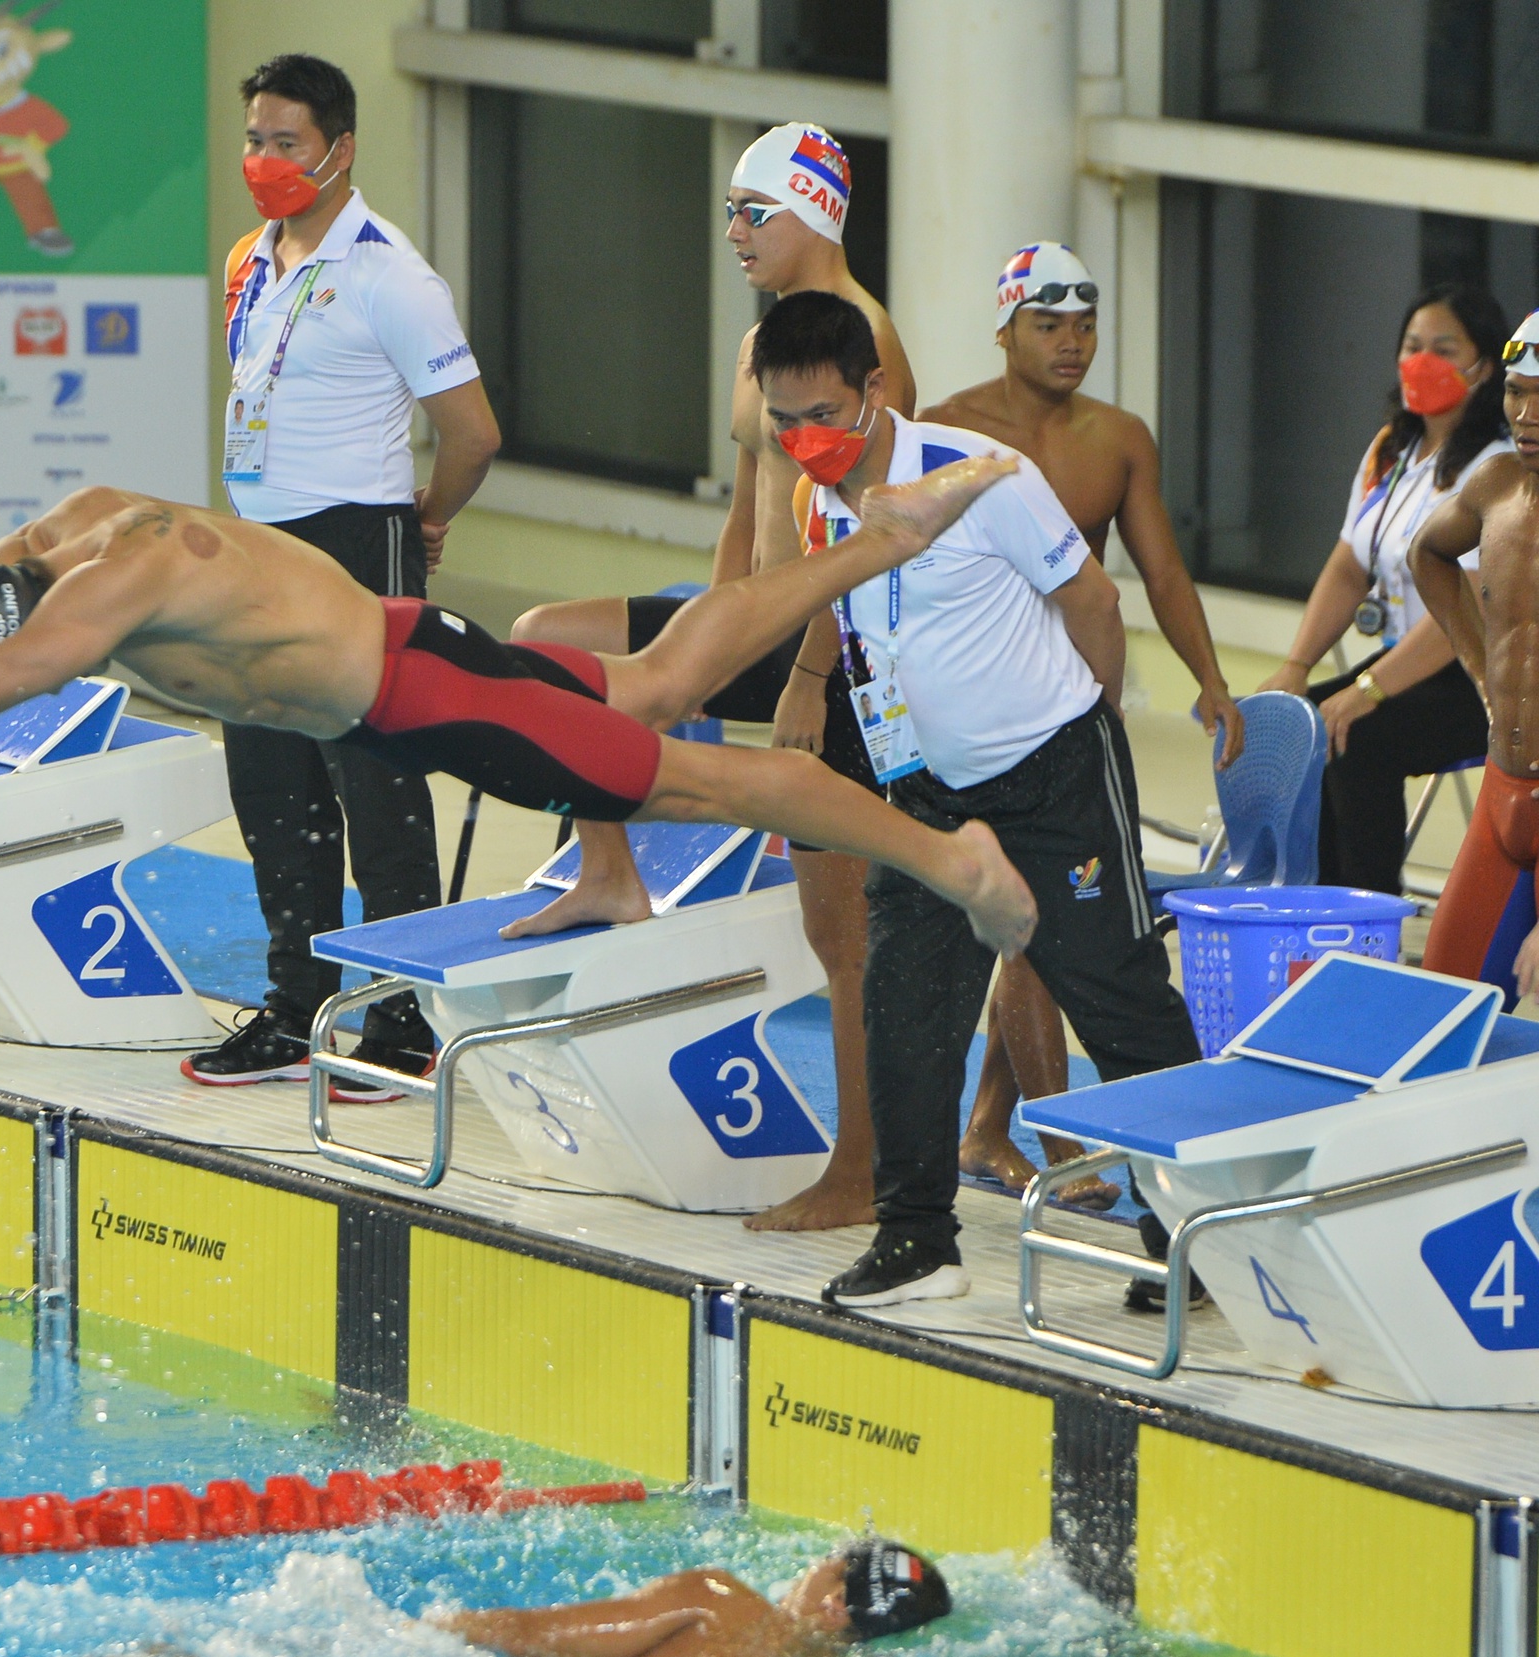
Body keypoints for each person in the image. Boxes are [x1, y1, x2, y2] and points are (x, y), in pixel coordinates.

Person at [0, 479, 1039, 1004]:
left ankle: (953, 858)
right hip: (413, 643)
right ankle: (887, 538)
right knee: (655, 673)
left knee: (721, 776)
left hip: (431, 699)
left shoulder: (122, 574)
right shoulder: (36, 546)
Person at [674, 292, 1195, 1310]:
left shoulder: (980, 477)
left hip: (1053, 780)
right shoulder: (815, 495)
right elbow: (852, 611)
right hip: (923, 796)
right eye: (781, 423)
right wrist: (816, 691)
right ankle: (918, 1244)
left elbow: (1092, 603)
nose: (802, 440)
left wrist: (1090, 747)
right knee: (903, 1007)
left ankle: (1191, 1235)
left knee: (1120, 1003)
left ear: (874, 392)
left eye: (820, 415)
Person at [508, 123, 915, 1231]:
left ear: (812, 212)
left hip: (832, 653)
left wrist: (806, 679)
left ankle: (858, 1166)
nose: (730, 231)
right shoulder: (759, 346)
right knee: (545, 642)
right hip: (754, 630)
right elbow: (746, 515)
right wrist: (695, 648)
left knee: (838, 935)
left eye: (751, 210)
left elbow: (868, 534)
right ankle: (608, 871)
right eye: (728, 210)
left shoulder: (862, 344)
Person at [194, 54, 502, 1099]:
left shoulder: (392, 277)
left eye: (284, 143)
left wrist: (424, 523)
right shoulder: (249, 259)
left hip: (355, 544)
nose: (263, 162)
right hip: (256, 545)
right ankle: (294, 1005)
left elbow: (470, 432)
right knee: (270, 786)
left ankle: (401, 1019)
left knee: (374, 788)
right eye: (253, 141)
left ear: (339, 149)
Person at [921, 242, 1243, 1206]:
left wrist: (1213, 681)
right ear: (1006, 328)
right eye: (1049, 325)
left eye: (1085, 325)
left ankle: (990, 1130)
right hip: (978, 719)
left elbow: (1163, 572)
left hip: (1072, 717)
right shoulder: (946, 431)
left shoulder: (1118, 437)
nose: (1072, 343)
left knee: (1054, 930)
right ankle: (1061, 1151)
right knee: (1033, 931)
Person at [1258, 285, 1511, 894]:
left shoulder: (1498, 467)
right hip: (1406, 659)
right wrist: (1297, 665)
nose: (1422, 362)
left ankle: (1369, 921)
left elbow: (1466, 610)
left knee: (1357, 738)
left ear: (1484, 367)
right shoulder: (1391, 450)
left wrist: (1368, 690)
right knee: (1305, 723)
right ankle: (1314, 904)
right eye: (1412, 346)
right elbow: (1350, 565)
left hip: (1480, 676)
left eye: (1444, 349)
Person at [1408, 306, 1539, 1006]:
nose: (1527, 412)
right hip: (1503, 793)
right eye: (1518, 391)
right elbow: (1425, 554)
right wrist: (1480, 668)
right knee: (1443, 1010)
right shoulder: (1494, 488)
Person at [435, 1537, 949, 1657]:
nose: (812, 1570)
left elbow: (530, 1636)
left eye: (832, 1570)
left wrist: (413, 1636)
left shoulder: (720, 1601)